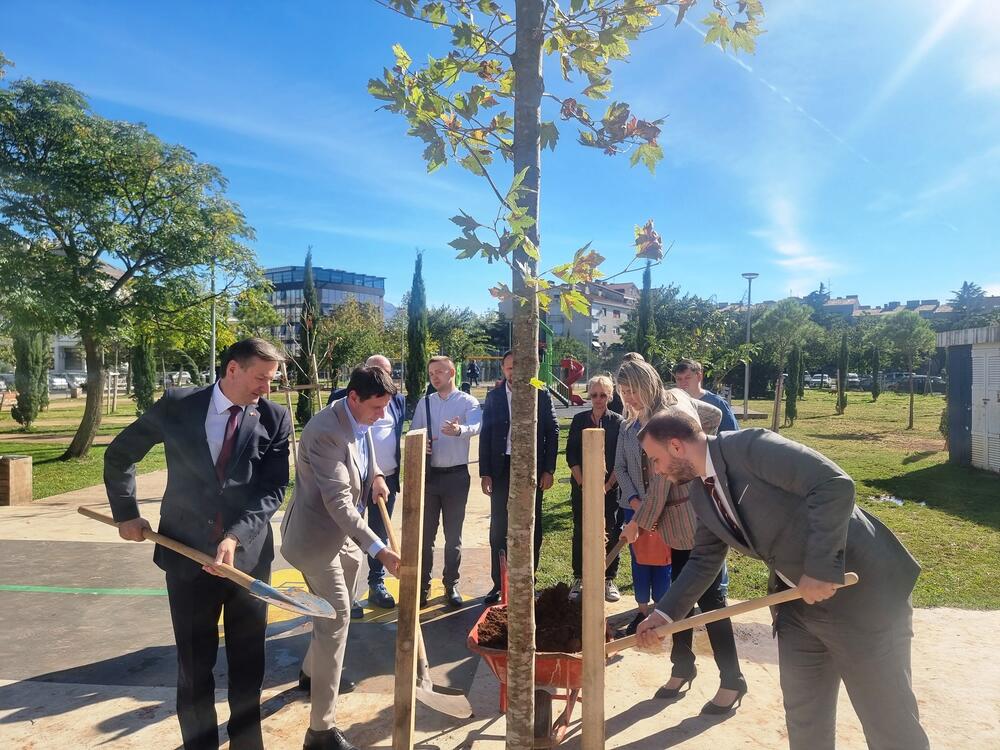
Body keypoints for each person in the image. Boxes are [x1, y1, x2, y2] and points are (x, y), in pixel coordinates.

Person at [636, 411, 929, 750]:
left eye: (655, 460)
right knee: (805, 721)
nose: (656, 470)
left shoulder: (750, 446)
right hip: (797, 610)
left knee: (888, 722)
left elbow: (833, 484)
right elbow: (703, 560)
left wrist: (820, 567)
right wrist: (664, 615)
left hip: (864, 601)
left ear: (675, 446)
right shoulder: (702, 495)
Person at [104, 338, 291, 750]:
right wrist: (126, 513)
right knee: (193, 668)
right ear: (232, 370)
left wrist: (234, 537)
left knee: (248, 668)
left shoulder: (274, 418)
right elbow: (120, 454)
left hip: (246, 563)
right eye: (260, 378)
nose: (267, 388)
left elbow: (273, 488)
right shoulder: (177, 405)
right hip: (185, 559)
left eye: (271, 380)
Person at [281, 365, 403, 750]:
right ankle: (321, 730)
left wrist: (378, 475)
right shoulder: (323, 432)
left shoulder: (357, 417)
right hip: (316, 540)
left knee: (337, 610)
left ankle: (308, 673)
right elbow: (338, 503)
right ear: (353, 398)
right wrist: (380, 550)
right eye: (377, 407)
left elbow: (365, 446)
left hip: (344, 540)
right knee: (336, 617)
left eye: (387, 407)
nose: (382, 415)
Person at [616, 359, 746, 714]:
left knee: (710, 602)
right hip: (673, 520)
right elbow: (712, 416)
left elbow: (660, 483)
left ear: (648, 384)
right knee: (678, 596)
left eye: (632, 391)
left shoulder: (668, 410)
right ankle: (683, 666)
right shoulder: (653, 410)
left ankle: (733, 680)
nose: (628, 398)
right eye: (623, 393)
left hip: (694, 516)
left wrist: (639, 522)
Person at [479, 349, 559, 604]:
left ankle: (528, 582)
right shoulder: (494, 396)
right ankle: (498, 583)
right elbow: (486, 435)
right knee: (499, 527)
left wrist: (548, 469)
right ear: (504, 370)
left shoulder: (540, 391)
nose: (513, 372)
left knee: (530, 526)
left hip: (531, 469)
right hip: (502, 467)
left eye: (518, 366)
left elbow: (552, 431)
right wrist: (486, 472)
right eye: (509, 367)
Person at [327, 355, 405, 614]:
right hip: (350, 485)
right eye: (378, 372)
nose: (381, 414)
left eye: (389, 373)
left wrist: (379, 476)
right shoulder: (342, 406)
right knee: (349, 536)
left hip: (383, 479)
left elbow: (372, 443)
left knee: (379, 532)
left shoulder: (390, 403)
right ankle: (346, 595)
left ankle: (376, 584)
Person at [409, 355, 482, 608]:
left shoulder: (467, 401)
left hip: (456, 478)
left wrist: (459, 430)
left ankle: (451, 584)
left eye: (439, 372)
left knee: (453, 538)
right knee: (425, 536)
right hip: (430, 478)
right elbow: (413, 433)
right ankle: (423, 586)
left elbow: (476, 425)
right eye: (431, 373)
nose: (434, 377)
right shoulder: (425, 403)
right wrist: (421, 443)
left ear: (452, 373)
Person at [565, 374, 624, 602]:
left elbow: (621, 458)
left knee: (610, 530)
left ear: (610, 395)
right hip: (582, 487)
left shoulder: (618, 422)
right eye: (594, 395)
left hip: (610, 489)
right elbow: (571, 453)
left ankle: (608, 578)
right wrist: (583, 483)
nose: (598, 399)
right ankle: (579, 577)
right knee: (580, 529)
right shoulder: (579, 420)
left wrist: (607, 485)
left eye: (603, 395)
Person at [671, 358, 740, 431]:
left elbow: (732, 435)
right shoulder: (673, 403)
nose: (683, 382)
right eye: (679, 379)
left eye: (687, 378)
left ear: (699, 377)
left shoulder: (717, 403)